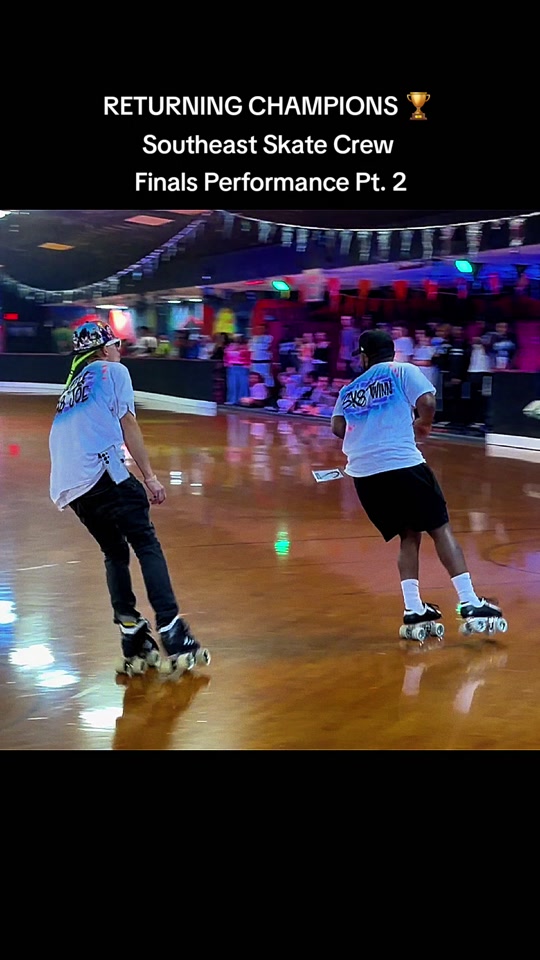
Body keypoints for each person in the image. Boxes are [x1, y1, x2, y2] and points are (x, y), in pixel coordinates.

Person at [48, 317, 211, 678]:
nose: (120, 351)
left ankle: (132, 632)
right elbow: (128, 424)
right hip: (102, 472)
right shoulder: (112, 372)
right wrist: (150, 477)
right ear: (104, 350)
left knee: (114, 552)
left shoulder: (71, 387)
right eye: (117, 345)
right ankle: (171, 628)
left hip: (71, 486)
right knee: (145, 542)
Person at [330, 329, 505, 639]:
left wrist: (368, 431)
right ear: (391, 352)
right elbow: (427, 400)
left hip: (365, 476)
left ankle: (413, 608)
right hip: (403, 465)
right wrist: (424, 423)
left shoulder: (349, 389)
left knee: (408, 535)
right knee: (440, 528)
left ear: (364, 356)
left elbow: (337, 426)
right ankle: (469, 601)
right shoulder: (402, 370)